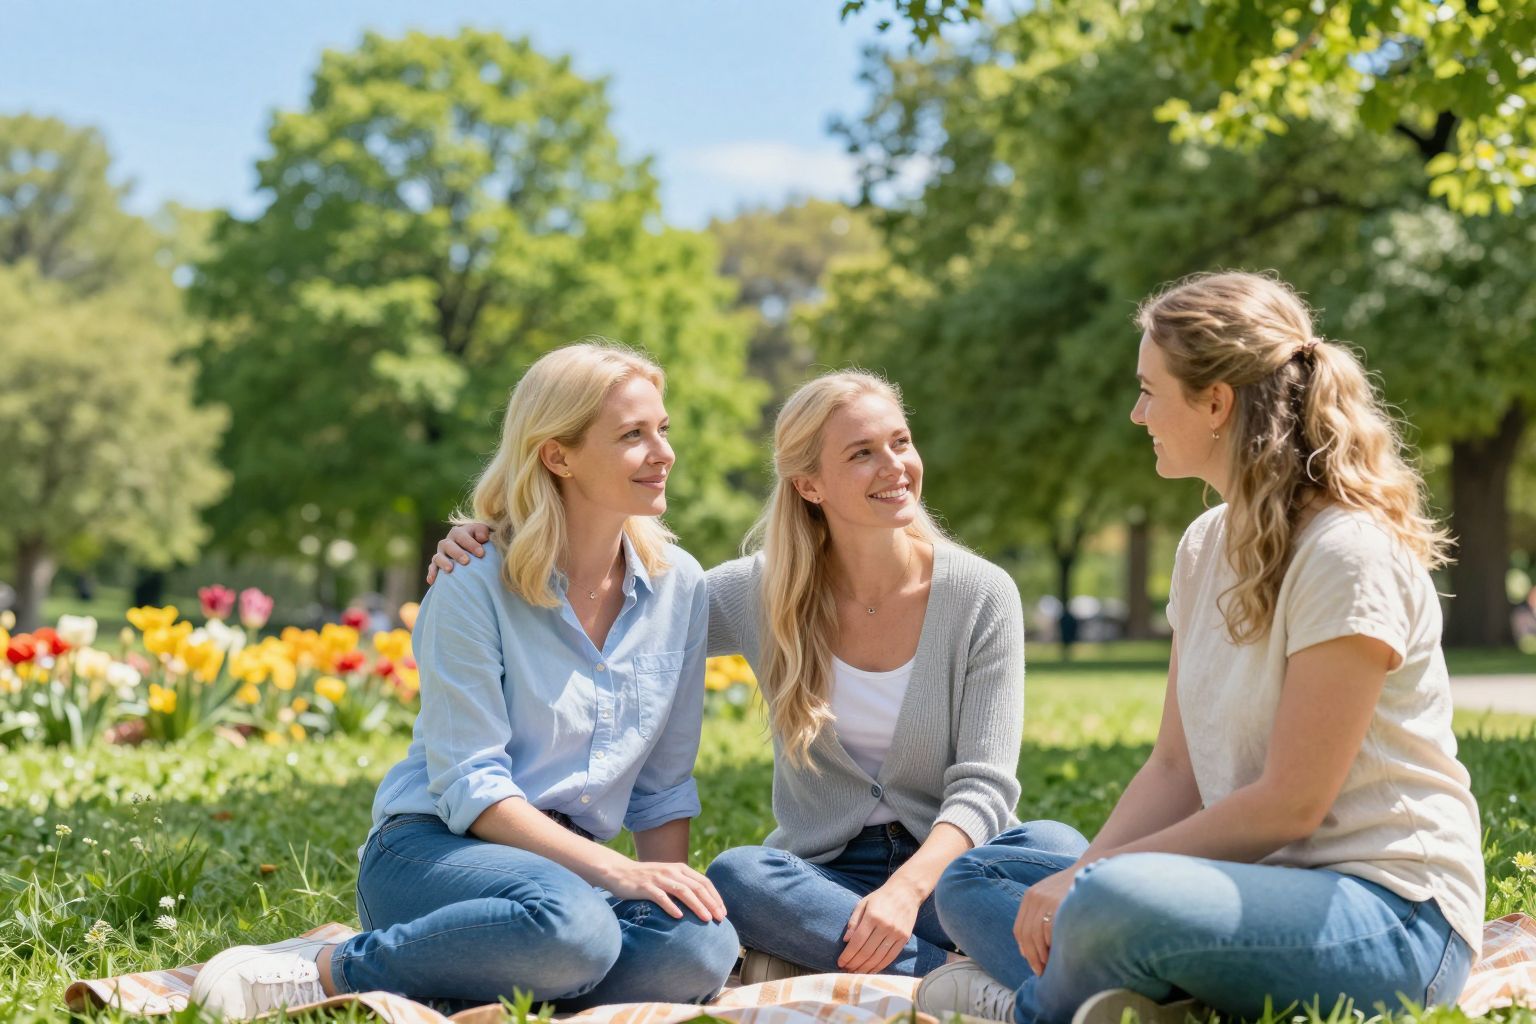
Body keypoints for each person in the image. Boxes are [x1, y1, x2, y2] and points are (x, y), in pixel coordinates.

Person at [917, 272, 1485, 1024]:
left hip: (1393, 920)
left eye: (1150, 390)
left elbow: (1291, 807)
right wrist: (1083, 874)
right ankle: (1136, 991)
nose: (1136, 412)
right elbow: (1176, 769)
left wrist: (1095, 882)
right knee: (978, 878)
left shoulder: (1347, 553)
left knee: (1112, 897)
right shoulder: (1202, 546)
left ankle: (1027, 1008)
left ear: (1216, 402)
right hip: (1238, 894)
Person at [434, 370, 1087, 982]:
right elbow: (623, 604)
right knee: (741, 876)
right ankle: (957, 976)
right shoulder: (757, 593)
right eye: (862, 453)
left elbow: (984, 786)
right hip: (822, 876)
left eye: (901, 442)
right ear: (810, 485)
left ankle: (851, 954)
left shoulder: (979, 594)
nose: (895, 467)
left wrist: (906, 889)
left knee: (1057, 847)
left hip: (950, 871)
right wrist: (498, 535)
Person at [192, 342, 739, 1019]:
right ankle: (331, 968)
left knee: (702, 947)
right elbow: (472, 786)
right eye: (633, 435)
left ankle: (496, 977)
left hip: (566, 876)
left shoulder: (678, 585)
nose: (664, 452)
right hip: (435, 849)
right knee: (575, 930)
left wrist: (665, 894)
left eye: (663, 430)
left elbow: (662, 783)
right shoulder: (473, 580)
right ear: (557, 454)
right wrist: (617, 874)